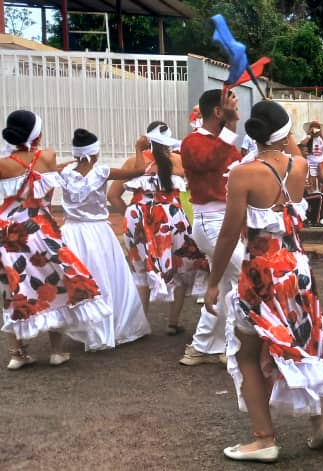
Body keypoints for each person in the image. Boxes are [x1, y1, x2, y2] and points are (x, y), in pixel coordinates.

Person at [204, 100, 323, 463]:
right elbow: (289, 147)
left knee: (245, 353)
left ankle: (264, 438)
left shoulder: (243, 173)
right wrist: (285, 134)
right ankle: (319, 419)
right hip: (297, 268)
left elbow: (229, 235)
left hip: (263, 270)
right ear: (284, 134)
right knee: (297, 340)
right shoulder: (300, 165)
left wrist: (214, 282)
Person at [1, 110, 111, 369]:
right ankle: (56, 351)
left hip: (8, 233)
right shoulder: (46, 156)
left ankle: (17, 354)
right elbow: (47, 195)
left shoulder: (3, 164)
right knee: (57, 284)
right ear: (35, 134)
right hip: (40, 228)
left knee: (13, 288)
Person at [110, 122, 207, 336]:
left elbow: (113, 195)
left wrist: (131, 212)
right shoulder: (178, 162)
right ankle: (173, 322)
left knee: (141, 270)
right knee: (183, 266)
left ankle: (140, 325)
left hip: (138, 216)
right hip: (172, 217)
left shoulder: (133, 162)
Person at [60, 129, 149, 351]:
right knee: (104, 279)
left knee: (79, 280)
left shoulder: (64, 171)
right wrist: (139, 149)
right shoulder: (102, 172)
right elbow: (140, 171)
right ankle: (104, 328)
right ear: (95, 153)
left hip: (71, 232)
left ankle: (84, 326)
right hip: (97, 232)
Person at [178, 88, 243, 365]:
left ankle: (204, 346)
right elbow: (208, 161)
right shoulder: (192, 142)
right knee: (244, 279)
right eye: (230, 106)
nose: (236, 110)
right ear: (218, 111)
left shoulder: (225, 142)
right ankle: (233, 347)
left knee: (228, 283)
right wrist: (230, 127)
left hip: (224, 221)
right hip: (211, 222)